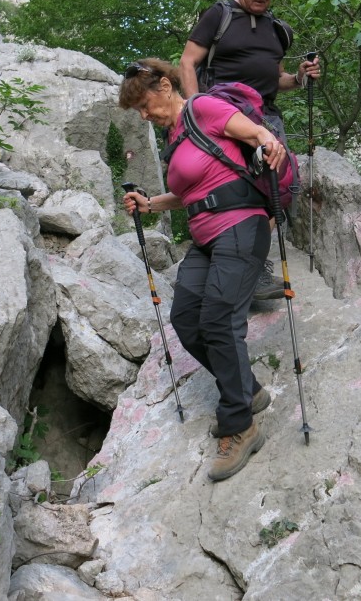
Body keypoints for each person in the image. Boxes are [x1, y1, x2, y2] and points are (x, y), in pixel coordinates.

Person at [119, 58, 284, 482]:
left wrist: (268, 142)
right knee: (186, 317)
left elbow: (257, 133)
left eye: (143, 104)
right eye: (136, 111)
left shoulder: (204, 108)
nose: (143, 115)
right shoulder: (176, 137)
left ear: (164, 85)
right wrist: (151, 203)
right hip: (206, 237)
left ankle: (240, 425)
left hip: (241, 226)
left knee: (219, 322)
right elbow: (187, 191)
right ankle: (248, 391)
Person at [180, 0, 321, 301]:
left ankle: (248, 265)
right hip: (224, 117)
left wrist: (300, 77)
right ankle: (244, 269)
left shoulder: (278, 30)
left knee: (280, 192)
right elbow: (187, 62)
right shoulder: (219, 15)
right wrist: (195, 114)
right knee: (235, 194)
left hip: (266, 117)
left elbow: (278, 81)